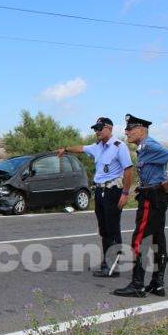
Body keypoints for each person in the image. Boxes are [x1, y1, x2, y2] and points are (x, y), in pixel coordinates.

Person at [113, 114, 168, 297]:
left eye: (130, 128)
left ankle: (137, 285)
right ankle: (157, 284)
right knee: (158, 240)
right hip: (157, 197)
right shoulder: (143, 148)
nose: (126, 132)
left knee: (139, 240)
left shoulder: (150, 145)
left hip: (151, 197)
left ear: (141, 130)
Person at [57, 117, 133, 277]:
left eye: (99, 128)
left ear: (109, 128)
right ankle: (107, 261)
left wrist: (125, 193)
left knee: (113, 228)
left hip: (113, 191)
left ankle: (114, 267)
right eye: (95, 129)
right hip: (100, 191)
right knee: (104, 229)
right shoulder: (97, 147)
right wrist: (66, 149)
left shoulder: (119, 146)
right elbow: (81, 148)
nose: (96, 131)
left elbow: (128, 171)